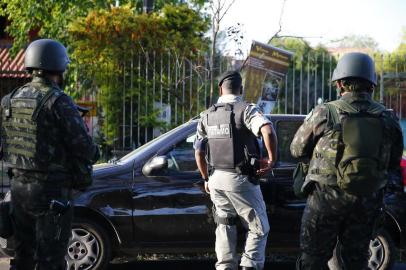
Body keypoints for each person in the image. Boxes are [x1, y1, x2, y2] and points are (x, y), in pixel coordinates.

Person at [290, 52, 404, 270]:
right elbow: (393, 163)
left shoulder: (326, 112)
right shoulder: (388, 119)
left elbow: (296, 149)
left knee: (313, 258)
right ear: (371, 84)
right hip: (367, 199)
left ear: (340, 83)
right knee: (356, 258)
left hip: (326, 198)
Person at [0, 39, 100, 270]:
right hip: (51, 194)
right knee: (51, 260)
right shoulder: (57, 101)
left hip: (18, 192)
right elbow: (85, 149)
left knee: (23, 256)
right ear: (59, 67)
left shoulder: (9, 100)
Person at [194, 70, 277, 270]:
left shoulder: (207, 115)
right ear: (240, 89)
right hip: (240, 180)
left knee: (224, 224)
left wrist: (206, 178)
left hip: (215, 181)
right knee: (259, 228)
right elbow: (267, 129)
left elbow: (198, 152)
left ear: (220, 89)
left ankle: (224, 266)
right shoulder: (246, 109)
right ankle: (250, 265)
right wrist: (272, 160)